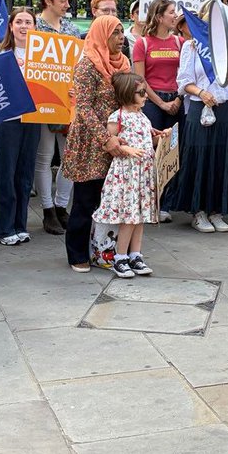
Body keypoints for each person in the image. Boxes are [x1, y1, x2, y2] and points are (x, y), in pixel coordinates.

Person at [62, 15, 129, 270]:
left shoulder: (124, 64)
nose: (121, 37)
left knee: (110, 199)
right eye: (115, 33)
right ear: (102, 35)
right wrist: (105, 138)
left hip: (116, 140)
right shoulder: (88, 64)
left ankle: (104, 250)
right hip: (91, 142)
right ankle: (77, 253)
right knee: (86, 199)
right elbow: (84, 108)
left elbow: (130, 99)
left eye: (122, 32)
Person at [169, 7, 228, 233]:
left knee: (223, 157)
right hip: (200, 106)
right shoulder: (191, 47)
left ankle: (217, 210)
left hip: (225, 108)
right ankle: (198, 211)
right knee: (200, 157)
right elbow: (183, 82)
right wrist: (201, 93)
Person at [93, 71, 163, 279]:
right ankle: (120, 257)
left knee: (139, 217)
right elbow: (109, 144)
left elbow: (149, 142)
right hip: (127, 175)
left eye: (145, 92)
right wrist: (126, 150)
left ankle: (135, 254)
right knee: (129, 218)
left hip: (142, 173)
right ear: (127, 94)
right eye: (141, 93)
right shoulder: (117, 117)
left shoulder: (143, 116)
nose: (146, 96)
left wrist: (162, 137)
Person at [34, 0, 82, 235]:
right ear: (48, 1)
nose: (67, 4)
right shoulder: (36, 27)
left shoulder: (72, 30)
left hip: (69, 100)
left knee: (69, 157)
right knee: (44, 156)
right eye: (62, 0)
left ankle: (62, 206)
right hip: (43, 99)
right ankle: (47, 209)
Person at [0, 8, 41, 245]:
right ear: (10, 26)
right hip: (8, 121)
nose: (23, 26)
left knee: (24, 174)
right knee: (6, 174)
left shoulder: (43, 55)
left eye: (28, 22)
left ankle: (20, 224)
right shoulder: (1, 53)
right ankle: (3, 228)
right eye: (19, 22)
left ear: (34, 27)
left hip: (33, 120)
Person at [132, 0, 183, 221]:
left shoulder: (180, 43)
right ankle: (148, 201)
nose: (175, 16)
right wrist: (161, 103)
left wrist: (178, 100)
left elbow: (185, 74)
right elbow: (140, 79)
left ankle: (166, 204)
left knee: (171, 152)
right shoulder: (142, 43)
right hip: (152, 102)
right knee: (151, 151)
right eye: (171, 12)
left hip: (176, 99)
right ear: (160, 16)